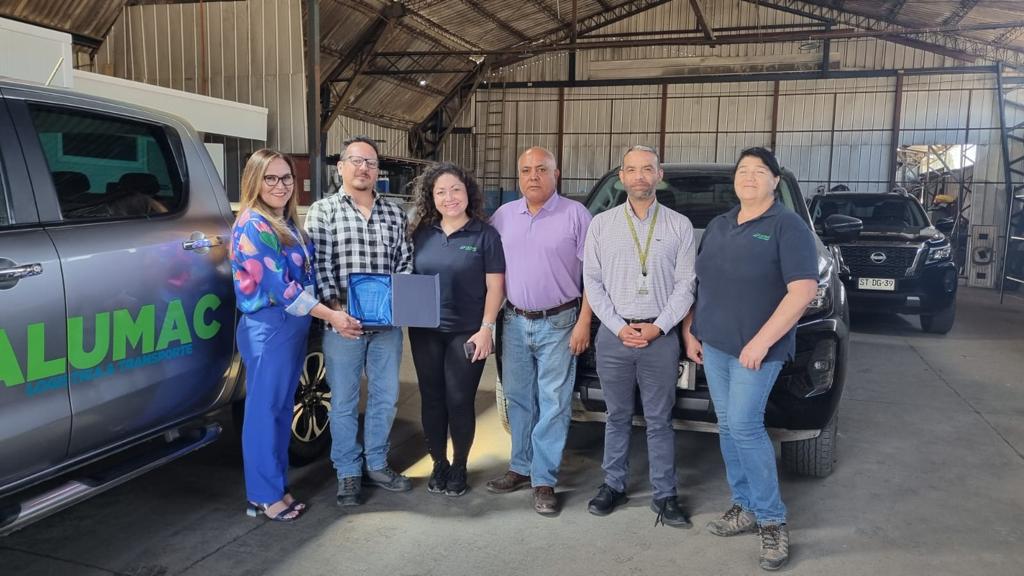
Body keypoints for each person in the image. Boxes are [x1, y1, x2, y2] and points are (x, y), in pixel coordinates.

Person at [682, 147, 819, 571]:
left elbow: (803, 291)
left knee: (744, 424)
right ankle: (743, 504)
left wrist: (760, 342)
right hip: (717, 345)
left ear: (774, 181)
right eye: (743, 170)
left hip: (758, 350)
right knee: (727, 425)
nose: (750, 176)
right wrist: (691, 329)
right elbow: (702, 282)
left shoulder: (787, 226)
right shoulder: (721, 225)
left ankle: (773, 520)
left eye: (760, 171)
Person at [230, 149, 352, 522]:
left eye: (286, 178)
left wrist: (332, 305)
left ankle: (275, 486)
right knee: (263, 413)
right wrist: (331, 315)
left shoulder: (288, 224)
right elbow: (283, 290)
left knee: (281, 410)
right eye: (271, 178)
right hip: (268, 328)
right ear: (254, 181)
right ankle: (263, 496)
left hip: (293, 328)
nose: (281, 186)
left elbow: (308, 278)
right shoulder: (253, 225)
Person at [582, 145, 696, 527]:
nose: (640, 176)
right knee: (616, 416)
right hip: (614, 336)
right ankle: (613, 485)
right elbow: (592, 283)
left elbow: (686, 286)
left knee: (660, 420)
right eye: (632, 170)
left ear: (659, 175)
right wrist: (617, 326)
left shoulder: (680, 226)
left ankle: (665, 495)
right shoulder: (601, 225)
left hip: (659, 336)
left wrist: (659, 327)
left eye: (647, 169)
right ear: (621, 178)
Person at [306, 136, 415, 506]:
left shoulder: (394, 213)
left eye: (370, 162)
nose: (364, 168)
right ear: (341, 167)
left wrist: (395, 305)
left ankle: (378, 464)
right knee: (344, 403)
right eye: (356, 160)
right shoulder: (323, 211)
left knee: (386, 399)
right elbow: (319, 265)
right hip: (342, 326)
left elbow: (405, 262)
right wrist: (337, 312)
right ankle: (348, 472)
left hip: (386, 328)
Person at [488, 146, 593, 515]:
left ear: (556, 173)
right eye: (527, 170)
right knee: (518, 397)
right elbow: (490, 271)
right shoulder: (503, 216)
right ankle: (520, 466)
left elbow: (593, 277)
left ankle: (544, 479)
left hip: (561, 322)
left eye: (541, 169)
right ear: (518, 176)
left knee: (553, 402)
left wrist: (584, 321)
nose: (533, 176)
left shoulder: (576, 215)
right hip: (514, 321)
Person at [408, 163, 506, 497]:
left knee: (460, 400)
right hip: (425, 331)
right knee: (432, 400)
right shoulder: (420, 233)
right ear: (431, 197)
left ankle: (460, 465)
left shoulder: (485, 234)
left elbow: (496, 287)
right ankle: (439, 464)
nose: (449, 198)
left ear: (468, 193)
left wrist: (486, 329)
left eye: (456, 190)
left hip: (467, 332)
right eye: (441, 192)